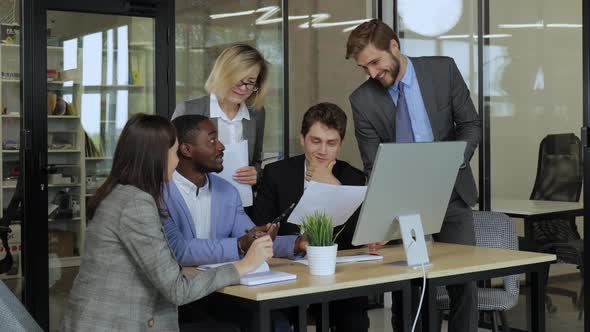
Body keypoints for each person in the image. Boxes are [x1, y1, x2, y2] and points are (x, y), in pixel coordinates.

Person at [61, 114, 273, 332]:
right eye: (174, 153)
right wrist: (244, 265)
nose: (177, 161)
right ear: (156, 157)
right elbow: (176, 289)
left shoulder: (123, 195)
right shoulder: (136, 204)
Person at [346, 19, 481, 332]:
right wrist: (381, 215)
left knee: (465, 283)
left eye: (376, 63)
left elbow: (470, 124)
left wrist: (452, 161)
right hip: (401, 204)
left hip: (450, 192)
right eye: (364, 68)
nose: (372, 74)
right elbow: (373, 165)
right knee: (410, 288)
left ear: (394, 46)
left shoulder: (443, 71)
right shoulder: (362, 101)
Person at [163, 114, 306, 331]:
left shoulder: (227, 192)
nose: (221, 146)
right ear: (186, 149)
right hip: (180, 297)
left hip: (222, 290)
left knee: (276, 324)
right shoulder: (160, 193)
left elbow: (250, 238)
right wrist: (241, 244)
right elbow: (180, 250)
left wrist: (295, 244)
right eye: (212, 140)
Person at [254, 102, 370, 332]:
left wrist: (332, 186)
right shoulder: (276, 173)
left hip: (334, 271)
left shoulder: (353, 176)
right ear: (302, 139)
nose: (323, 151)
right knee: (272, 317)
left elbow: (357, 236)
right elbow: (260, 227)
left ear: (341, 144)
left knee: (354, 316)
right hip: (286, 266)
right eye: (315, 141)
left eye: (331, 143)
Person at [172, 44, 269, 191]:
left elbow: (256, 159)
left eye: (250, 82)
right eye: (238, 80)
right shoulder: (188, 110)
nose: (243, 89)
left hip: (241, 202)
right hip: (196, 199)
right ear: (223, 74)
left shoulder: (256, 113)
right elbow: (168, 160)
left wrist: (256, 175)